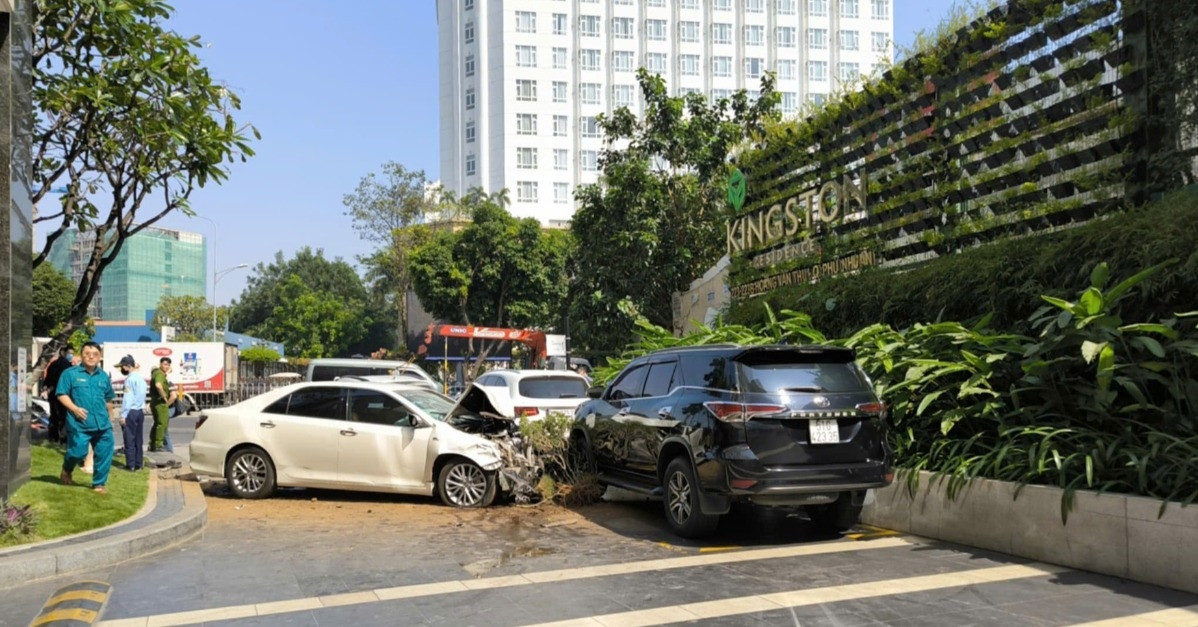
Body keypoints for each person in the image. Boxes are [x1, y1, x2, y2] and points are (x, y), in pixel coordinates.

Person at [55, 341, 115, 493]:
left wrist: (111, 417)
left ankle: (99, 484)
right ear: (81, 355)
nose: (91, 357)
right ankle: (67, 468)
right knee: (78, 452)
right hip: (80, 423)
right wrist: (74, 409)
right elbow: (61, 394)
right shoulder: (70, 374)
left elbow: (108, 399)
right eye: (87, 353)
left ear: (99, 357)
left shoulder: (103, 376)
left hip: (102, 423)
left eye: (95, 354)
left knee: (104, 453)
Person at [116, 355, 146, 471]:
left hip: (131, 412)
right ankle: (139, 463)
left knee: (129, 439)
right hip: (139, 412)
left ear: (127, 366)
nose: (121, 369)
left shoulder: (129, 380)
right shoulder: (141, 379)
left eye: (122, 367)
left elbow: (127, 399)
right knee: (139, 439)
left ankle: (130, 465)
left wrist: (123, 415)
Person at [42, 346, 73, 444]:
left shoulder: (53, 364)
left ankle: (53, 438)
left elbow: (47, 380)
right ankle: (63, 439)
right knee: (63, 418)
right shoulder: (67, 366)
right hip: (64, 395)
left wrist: (47, 388)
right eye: (69, 353)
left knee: (54, 416)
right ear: (63, 352)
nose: (71, 355)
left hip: (53, 395)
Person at [148, 357, 178, 452]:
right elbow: (158, 385)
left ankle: (153, 444)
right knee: (162, 424)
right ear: (160, 364)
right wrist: (165, 397)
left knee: (157, 423)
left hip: (156, 402)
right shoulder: (160, 374)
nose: (166, 366)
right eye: (165, 364)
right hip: (160, 403)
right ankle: (158, 444)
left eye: (168, 365)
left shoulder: (158, 374)